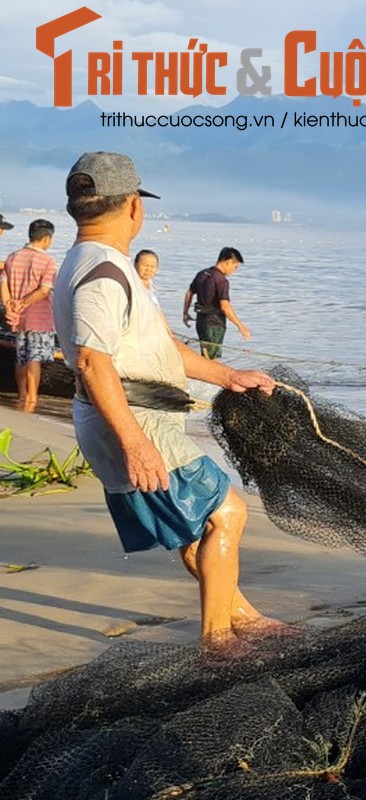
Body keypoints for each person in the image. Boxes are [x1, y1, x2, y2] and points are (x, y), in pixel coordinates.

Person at [51, 151, 291, 658]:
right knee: (227, 513)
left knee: (191, 523)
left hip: (130, 415)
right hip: (132, 419)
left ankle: (239, 616)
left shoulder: (102, 265)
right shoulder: (103, 274)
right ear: (134, 207)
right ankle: (217, 641)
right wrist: (136, 444)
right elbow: (94, 364)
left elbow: (164, 348)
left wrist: (230, 376)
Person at [2, 219, 58, 412]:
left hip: (18, 318)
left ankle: (22, 395)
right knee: (35, 357)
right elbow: (44, 291)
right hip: (39, 317)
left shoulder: (12, 257)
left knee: (21, 356)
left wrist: (11, 306)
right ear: (46, 239)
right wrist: (23, 303)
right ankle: (32, 399)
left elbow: (4, 285)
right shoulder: (48, 261)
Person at [182, 246, 250, 359]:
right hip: (215, 324)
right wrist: (240, 326)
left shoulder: (202, 274)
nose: (234, 271)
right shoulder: (222, 281)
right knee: (213, 361)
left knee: (205, 355)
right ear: (228, 262)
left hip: (201, 322)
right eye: (235, 266)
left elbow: (189, 293)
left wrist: (185, 313)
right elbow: (225, 306)